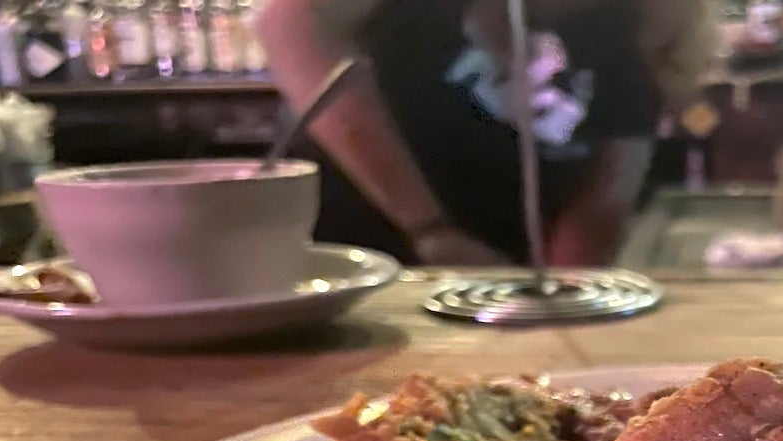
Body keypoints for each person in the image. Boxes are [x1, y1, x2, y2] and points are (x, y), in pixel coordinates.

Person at [257, 0, 717, 266]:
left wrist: (561, 301)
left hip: (497, 284)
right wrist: (431, 230)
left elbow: (602, 197)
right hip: (361, 267)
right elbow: (291, 24)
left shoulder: (647, 21)